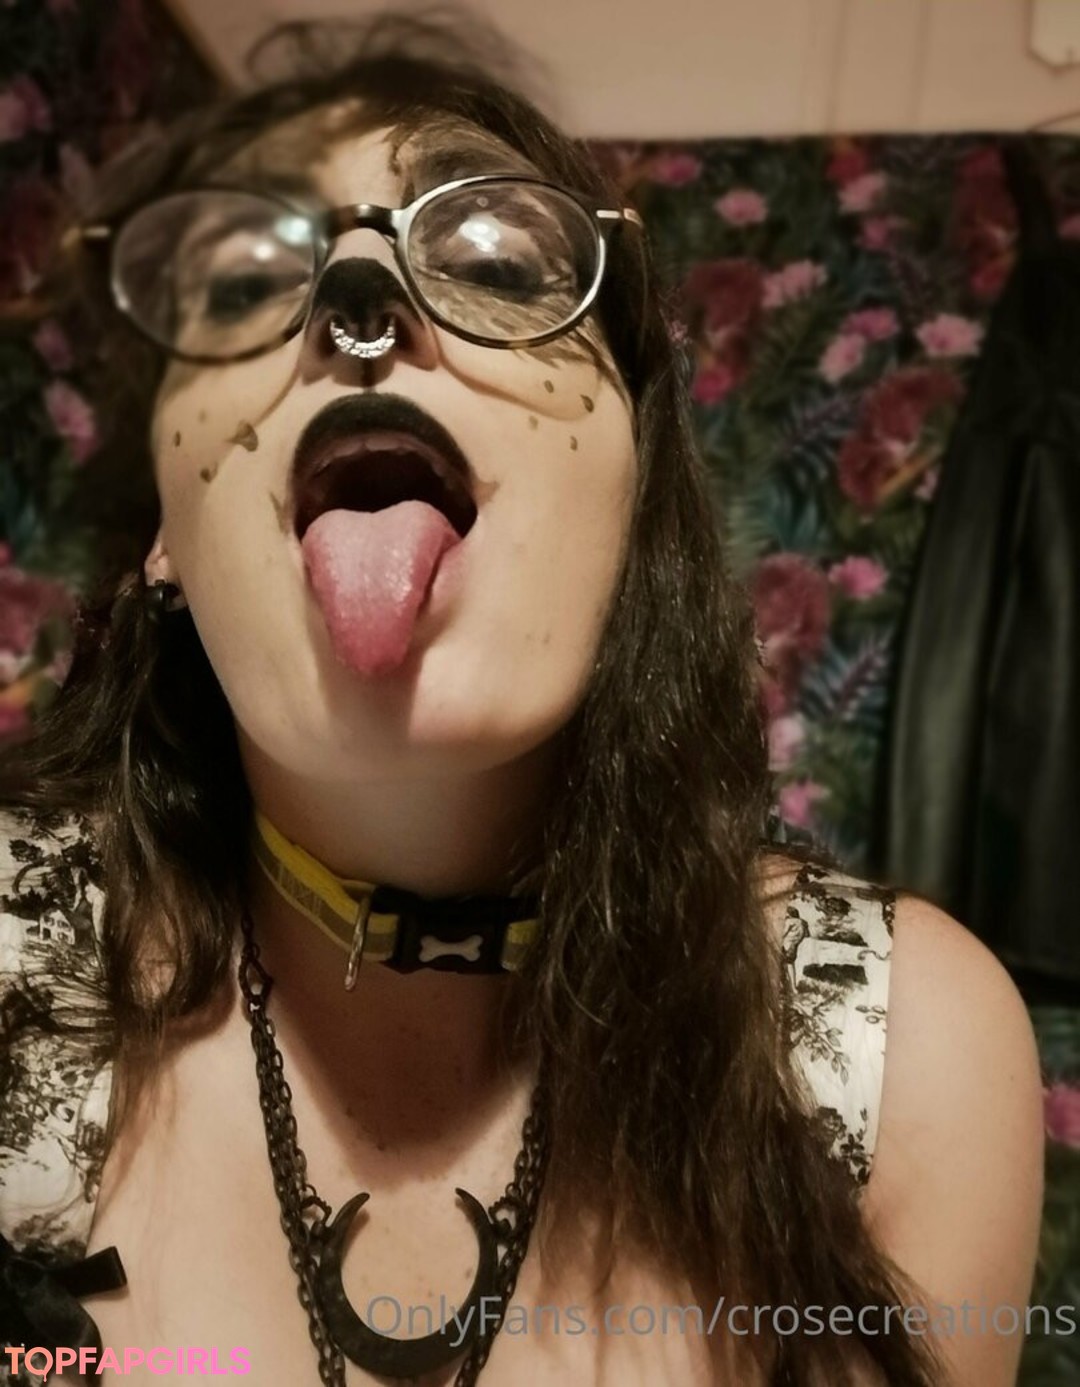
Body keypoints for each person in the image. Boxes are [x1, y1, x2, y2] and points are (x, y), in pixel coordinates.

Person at [0, 15, 1044, 1386]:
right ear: (162, 541)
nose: (359, 299)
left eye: (496, 262)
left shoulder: (909, 1060)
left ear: (633, 491)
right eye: (243, 283)